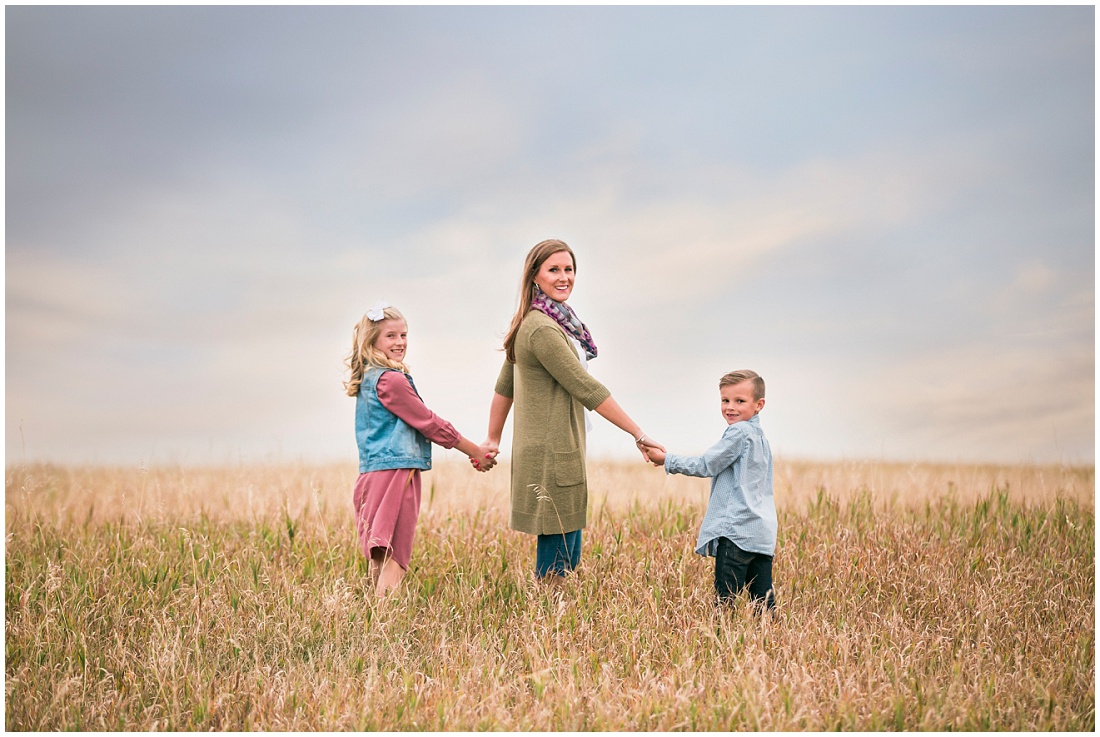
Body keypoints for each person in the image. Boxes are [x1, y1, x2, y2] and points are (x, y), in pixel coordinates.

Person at [483, 239, 663, 581]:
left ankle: (549, 622)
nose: (564, 277)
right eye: (554, 270)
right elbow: (586, 388)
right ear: (535, 276)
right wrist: (639, 435)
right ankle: (545, 626)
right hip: (552, 452)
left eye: (569, 269)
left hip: (556, 447)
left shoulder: (544, 323)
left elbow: (504, 388)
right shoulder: (542, 329)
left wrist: (492, 440)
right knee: (558, 560)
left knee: (565, 549)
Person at [344, 301, 498, 597]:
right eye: (391, 336)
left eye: (404, 335)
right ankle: (383, 624)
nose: (400, 342)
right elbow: (429, 423)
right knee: (397, 556)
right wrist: (474, 451)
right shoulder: (391, 381)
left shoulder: (369, 378)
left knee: (381, 553)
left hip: (372, 473)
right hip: (394, 474)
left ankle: (371, 621)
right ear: (372, 339)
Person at [643, 370, 777, 613]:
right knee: (763, 605)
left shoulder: (739, 432)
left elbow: (706, 465)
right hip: (762, 533)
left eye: (740, 401)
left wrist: (667, 460)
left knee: (725, 604)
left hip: (736, 532)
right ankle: (773, 645)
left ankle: (723, 643)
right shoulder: (760, 437)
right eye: (725, 400)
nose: (730, 407)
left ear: (759, 405)